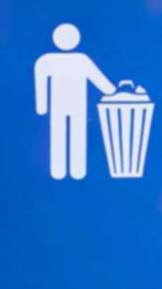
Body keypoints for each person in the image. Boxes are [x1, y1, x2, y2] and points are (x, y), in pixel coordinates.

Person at [34, 23, 115, 180]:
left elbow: (41, 84)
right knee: (74, 134)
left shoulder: (47, 60)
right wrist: (111, 91)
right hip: (75, 105)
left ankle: (60, 171)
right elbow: (99, 81)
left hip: (62, 105)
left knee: (61, 133)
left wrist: (42, 107)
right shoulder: (80, 60)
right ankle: (76, 171)